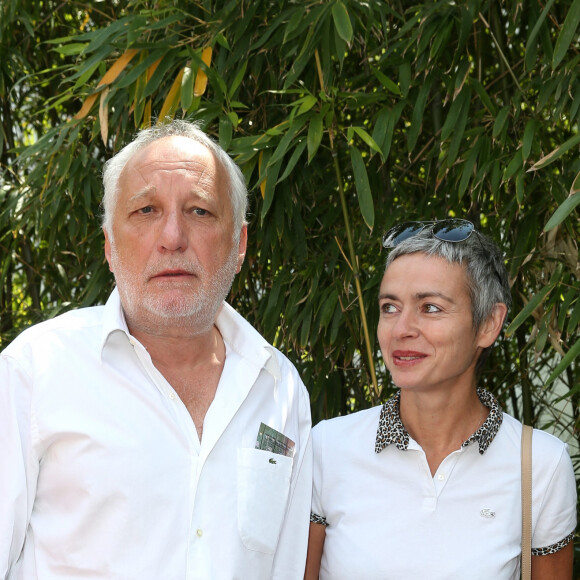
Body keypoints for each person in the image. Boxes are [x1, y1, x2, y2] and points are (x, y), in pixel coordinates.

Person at [0, 120, 312, 579]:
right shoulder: (37, 370)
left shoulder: (280, 390)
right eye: (146, 210)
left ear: (239, 244)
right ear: (108, 244)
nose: (172, 237)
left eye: (200, 211)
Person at [305, 219, 576, 580]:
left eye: (430, 307)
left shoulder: (539, 465)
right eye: (389, 307)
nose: (402, 329)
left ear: (488, 324)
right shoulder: (327, 448)